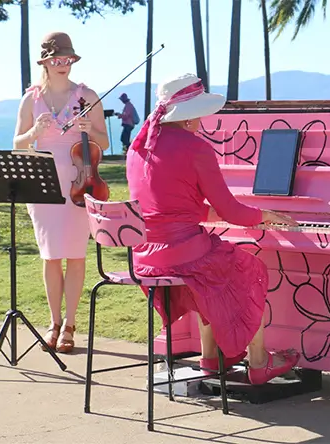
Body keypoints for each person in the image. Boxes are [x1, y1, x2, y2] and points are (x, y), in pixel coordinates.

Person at [126, 73, 300, 385]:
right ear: (190, 117)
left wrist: (238, 215)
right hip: (181, 255)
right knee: (250, 268)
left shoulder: (138, 146)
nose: (204, 121)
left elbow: (170, 208)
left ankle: (210, 359)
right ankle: (259, 362)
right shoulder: (196, 149)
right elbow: (232, 210)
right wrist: (264, 215)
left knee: (211, 275)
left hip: (144, 258)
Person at [12, 31, 109, 353]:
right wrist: (33, 132)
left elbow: (104, 143)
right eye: (57, 60)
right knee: (51, 256)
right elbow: (17, 144)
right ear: (46, 63)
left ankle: (70, 324)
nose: (62, 65)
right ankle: (53, 323)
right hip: (42, 184)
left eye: (67, 59)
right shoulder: (31, 98)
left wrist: (89, 130)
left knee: (76, 255)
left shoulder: (88, 95)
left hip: (80, 182)